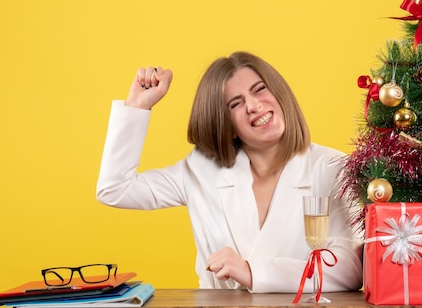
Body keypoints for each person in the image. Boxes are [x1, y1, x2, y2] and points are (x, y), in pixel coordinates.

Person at [96, 51, 363, 293]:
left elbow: (350, 269)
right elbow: (115, 190)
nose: (253, 106)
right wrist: (136, 107)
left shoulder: (332, 167)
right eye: (235, 104)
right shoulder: (201, 169)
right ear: (226, 125)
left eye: (259, 89)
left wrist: (252, 272)